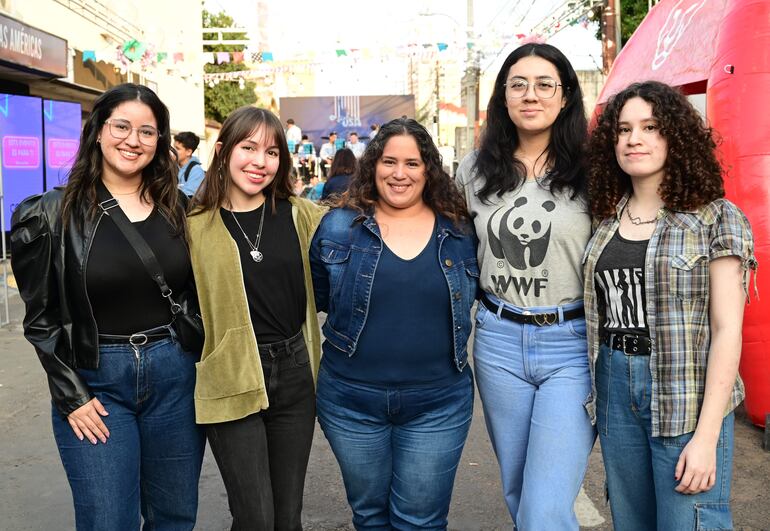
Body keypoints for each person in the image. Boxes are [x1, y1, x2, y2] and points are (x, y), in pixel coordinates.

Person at [10, 83, 205, 530]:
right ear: (98, 130)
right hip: (96, 381)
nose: (133, 140)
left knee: (175, 517)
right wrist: (71, 395)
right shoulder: (50, 214)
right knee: (107, 521)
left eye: (147, 131)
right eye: (121, 126)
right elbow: (41, 320)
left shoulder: (181, 208)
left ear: (160, 141)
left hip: (175, 376)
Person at [584, 80, 756, 530]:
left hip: (685, 393)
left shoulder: (715, 217)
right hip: (614, 385)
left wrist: (707, 435)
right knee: (631, 521)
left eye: (650, 127)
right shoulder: (603, 218)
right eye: (623, 130)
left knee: (690, 520)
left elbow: (727, 330)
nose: (634, 139)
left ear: (675, 136)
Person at [310, 118, 479, 529]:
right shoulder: (338, 227)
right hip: (350, 402)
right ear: (373, 165)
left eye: (412, 163)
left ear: (428, 170)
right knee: (370, 517)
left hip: (437, 404)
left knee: (419, 521)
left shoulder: (459, 231)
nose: (399, 173)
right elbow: (319, 297)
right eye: (389, 161)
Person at [454, 43, 594, 529]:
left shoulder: (595, 169)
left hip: (571, 344)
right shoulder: (473, 170)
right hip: (497, 341)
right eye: (518, 84)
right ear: (503, 97)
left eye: (544, 84)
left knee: (544, 507)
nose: (530, 95)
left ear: (565, 95)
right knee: (517, 491)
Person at [187, 106, 324, 530]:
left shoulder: (302, 215)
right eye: (248, 148)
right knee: (256, 518)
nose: (259, 162)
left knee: (287, 517)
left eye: (272, 152)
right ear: (223, 151)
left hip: (295, 372)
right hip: (231, 373)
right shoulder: (193, 226)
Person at [175, 131, 205, 197]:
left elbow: (188, 198)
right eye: (174, 147)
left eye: (177, 148)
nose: (174, 151)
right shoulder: (173, 166)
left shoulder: (196, 171)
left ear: (188, 152)